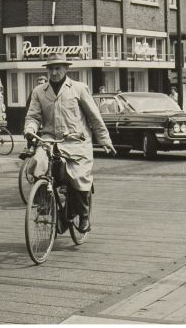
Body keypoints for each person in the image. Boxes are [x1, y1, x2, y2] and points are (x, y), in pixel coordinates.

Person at [24, 53, 116, 234]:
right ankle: (44, 202)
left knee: (78, 177)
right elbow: (33, 116)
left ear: (67, 68)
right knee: (37, 163)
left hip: (76, 142)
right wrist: (30, 129)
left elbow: (94, 117)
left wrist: (105, 140)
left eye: (58, 68)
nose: (54, 72)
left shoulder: (79, 89)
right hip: (50, 140)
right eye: (51, 68)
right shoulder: (39, 92)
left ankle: (83, 215)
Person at [20, 76, 48, 159]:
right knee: (31, 133)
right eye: (39, 83)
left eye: (42, 83)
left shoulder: (48, 92)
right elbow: (28, 105)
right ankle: (30, 150)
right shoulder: (34, 92)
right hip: (35, 116)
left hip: (45, 118)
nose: (40, 85)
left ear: (45, 83)